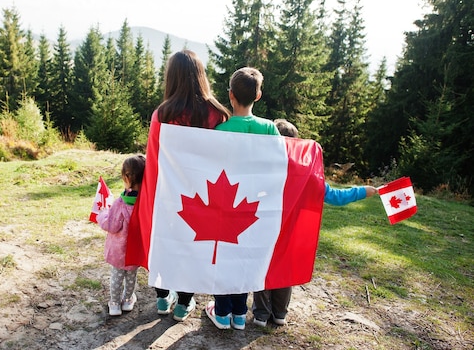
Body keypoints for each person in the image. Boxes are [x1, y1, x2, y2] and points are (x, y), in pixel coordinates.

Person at [252, 118, 378, 327]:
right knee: (285, 270)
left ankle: (261, 315)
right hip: (293, 235)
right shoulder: (308, 175)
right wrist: (363, 191)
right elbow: (336, 196)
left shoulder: (264, 172)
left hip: (267, 230)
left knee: (264, 269)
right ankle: (280, 313)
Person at [149, 49, 231, 322]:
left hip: (169, 194)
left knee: (165, 242)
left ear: (171, 78)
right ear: (200, 76)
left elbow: (154, 160)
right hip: (203, 196)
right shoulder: (217, 114)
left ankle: (162, 299)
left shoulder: (161, 114)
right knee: (193, 247)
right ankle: (184, 303)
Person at [206, 67, 280, 330]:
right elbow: (279, 167)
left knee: (224, 257)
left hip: (225, 207)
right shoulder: (270, 129)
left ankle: (222, 312)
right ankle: (240, 314)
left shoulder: (220, 130)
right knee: (246, 258)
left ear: (230, 96)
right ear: (258, 95)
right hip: (256, 208)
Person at [97, 154, 146, 316]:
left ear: (126, 177)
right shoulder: (146, 203)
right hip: (135, 251)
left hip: (119, 252)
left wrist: (102, 214)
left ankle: (114, 304)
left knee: (116, 277)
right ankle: (127, 301)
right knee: (131, 277)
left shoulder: (120, 203)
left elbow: (111, 225)